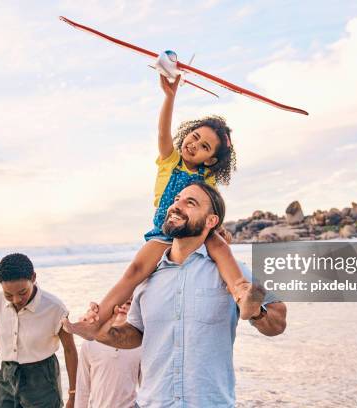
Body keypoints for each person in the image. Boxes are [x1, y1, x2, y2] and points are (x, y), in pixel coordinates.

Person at [66, 74, 261, 342]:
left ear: (211, 159)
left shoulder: (208, 179)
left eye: (204, 146)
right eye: (193, 137)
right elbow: (162, 132)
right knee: (136, 270)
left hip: (197, 229)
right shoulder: (170, 160)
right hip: (164, 229)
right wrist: (169, 96)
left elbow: (212, 206)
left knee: (220, 249)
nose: (194, 145)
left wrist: (220, 229)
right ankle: (97, 322)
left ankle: (242, 294)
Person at [67, 181, 287, 407]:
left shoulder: (232, 272)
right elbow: (137, 334)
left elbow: (278, 322)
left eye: (190, 202)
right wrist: (103, 332)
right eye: (176, 200)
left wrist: (257, 314)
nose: (176, 206)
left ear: (211, 221)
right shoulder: (147, 277)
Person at [0, 253, 78, 408]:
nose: (16, 300)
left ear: (33, 278)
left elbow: (70, 350)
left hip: (42, 379)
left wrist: (73, 395)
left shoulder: (55, 308)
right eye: (8, 295)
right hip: (7, 376)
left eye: (22, 292)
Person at [75, 298, 141, 408]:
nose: (123, 306)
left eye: (129, 303)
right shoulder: (91, 342)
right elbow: (82, 385)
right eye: (121, 301)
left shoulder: (139, 343)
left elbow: (146, 385)